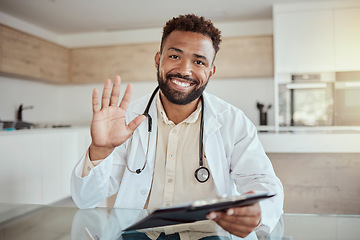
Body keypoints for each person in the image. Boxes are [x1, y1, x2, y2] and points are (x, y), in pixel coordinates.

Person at [71, 14, 284, 239]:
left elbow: (261, 180)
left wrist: (257, 211)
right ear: (158, 60)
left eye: (199, 61)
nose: (185, 70)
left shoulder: (233, 121)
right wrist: (100, 151)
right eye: (174, 56)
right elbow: (85, 199)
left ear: (211, 71)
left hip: (207, 235)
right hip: (139, 233)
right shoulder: (128, 118)